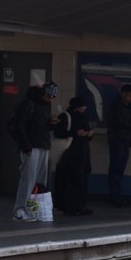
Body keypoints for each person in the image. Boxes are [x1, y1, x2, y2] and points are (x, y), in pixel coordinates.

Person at [11, 82, 59, 222]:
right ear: (42, 93)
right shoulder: (28, 105)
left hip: (43, 145)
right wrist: (26, 146)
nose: (50, 100)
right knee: (28, 179)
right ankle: (19, 210)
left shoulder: (45, 106)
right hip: (31, 147)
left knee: (40, 180)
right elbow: (20, 126)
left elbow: (40, 126)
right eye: (48, 96)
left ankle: (35, 209)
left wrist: (51, 124)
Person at [52, 96, 94, 216]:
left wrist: (89, 134)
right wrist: (75, 134)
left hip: (83, 151)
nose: (84, 109)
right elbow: (58, 132)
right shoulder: (66, 116)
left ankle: (80, 205)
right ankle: (69, 206)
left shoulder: (83, 117)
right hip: (70, 152)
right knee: (70, 179)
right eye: (82, 107)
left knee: (82, 178)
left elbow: (88, 132)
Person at [106, 84, 131, 207]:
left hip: (124, 140)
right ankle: (115, 196)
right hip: (118, 140)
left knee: (119, 169)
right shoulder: (116, 107)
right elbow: (118, 122)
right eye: (130, 96)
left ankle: (117, 195)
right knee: (116, 169)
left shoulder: (127, 107)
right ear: (123, 94)